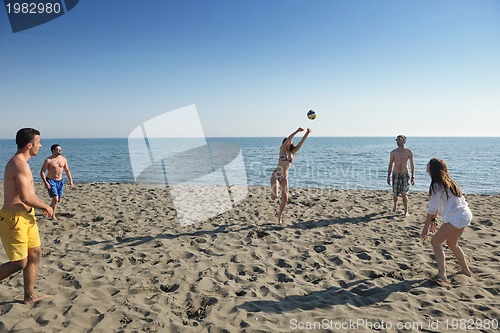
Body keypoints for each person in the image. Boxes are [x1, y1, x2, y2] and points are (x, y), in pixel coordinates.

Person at [0, 128, 54, 305]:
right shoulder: (18, 164)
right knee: (19, 263)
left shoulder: (24, 162)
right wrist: (46, 205)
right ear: (30, 145)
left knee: (35, 254)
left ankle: (29, 296)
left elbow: (30, 194)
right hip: (13, 219)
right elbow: (25, 197)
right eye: (38, 143)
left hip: (27, 217)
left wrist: (41, 206)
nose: (41, 145)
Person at [421, 158, 472, 283]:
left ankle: (442, 274)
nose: (426, 165)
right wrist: (433, 221)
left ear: (432, 169)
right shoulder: (449, 182)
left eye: (428, 164)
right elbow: (437, 206)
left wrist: (425, 228)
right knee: (452, 243)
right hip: (465, 214)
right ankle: (465, 270)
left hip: (457, 217)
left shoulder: (436, 186)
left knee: (435, 242)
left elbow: (432, 209)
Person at [270, 127, 311, 224]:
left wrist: (307, 133)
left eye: (291, 141)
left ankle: (280, 216)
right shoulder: (282, 151)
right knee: (274, 197)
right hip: (276, 175)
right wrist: (297, 131)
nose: (290, 142)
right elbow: (287, 140)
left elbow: (301, 143)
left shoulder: (293, 152)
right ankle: (274, 193)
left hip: (285, 177)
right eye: (289, 141)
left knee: (285, 198)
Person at [40, 144, 73, 221]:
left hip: (60, 181)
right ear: (53, 151)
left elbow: (67, 170)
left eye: (60, 149)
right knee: (55, 199)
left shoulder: (63, 159)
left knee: (58, 200)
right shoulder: (48, 160)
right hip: (51, 180)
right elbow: (42, 172)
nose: (60, 150)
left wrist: (70, 180)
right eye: (58, 149)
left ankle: (47, 209)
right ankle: (52, 216)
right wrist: (45, 182)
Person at [387, 135, 415, 216]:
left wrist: (413, 177)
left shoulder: (409, 152)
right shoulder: (393, 152)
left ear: (404, 141)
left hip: (405, 175)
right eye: (397, 140)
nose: (398, 141)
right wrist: (388, 177)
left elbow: (412, 165)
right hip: (395, 174)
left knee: (404, 193)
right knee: (395, 194)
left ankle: (406, 211)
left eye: (400, 139)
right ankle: (395, 205)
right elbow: (390, 165)